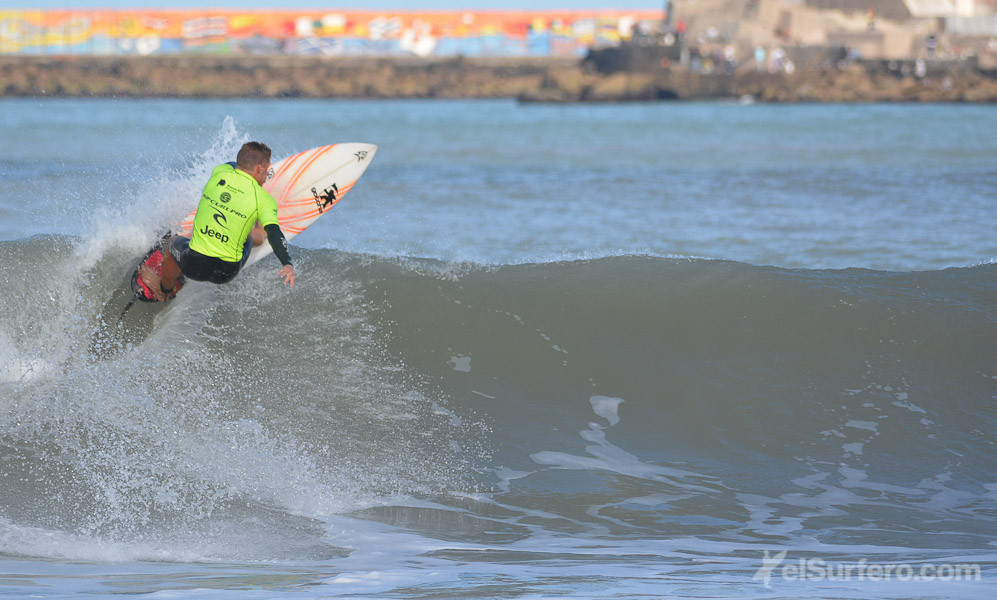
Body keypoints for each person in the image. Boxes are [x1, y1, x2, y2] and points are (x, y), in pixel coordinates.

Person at [153, 141, 295, 301]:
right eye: (267, 171)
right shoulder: (264, 199)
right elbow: (275, 234)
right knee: (255, 234)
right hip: (226, 272)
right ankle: (257, 230)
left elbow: (234, 165)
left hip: (193, 265)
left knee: (173, 242)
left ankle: (165, 290)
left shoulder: (219, 172)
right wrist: (287, 262)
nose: (266, 176)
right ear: (259, 168)